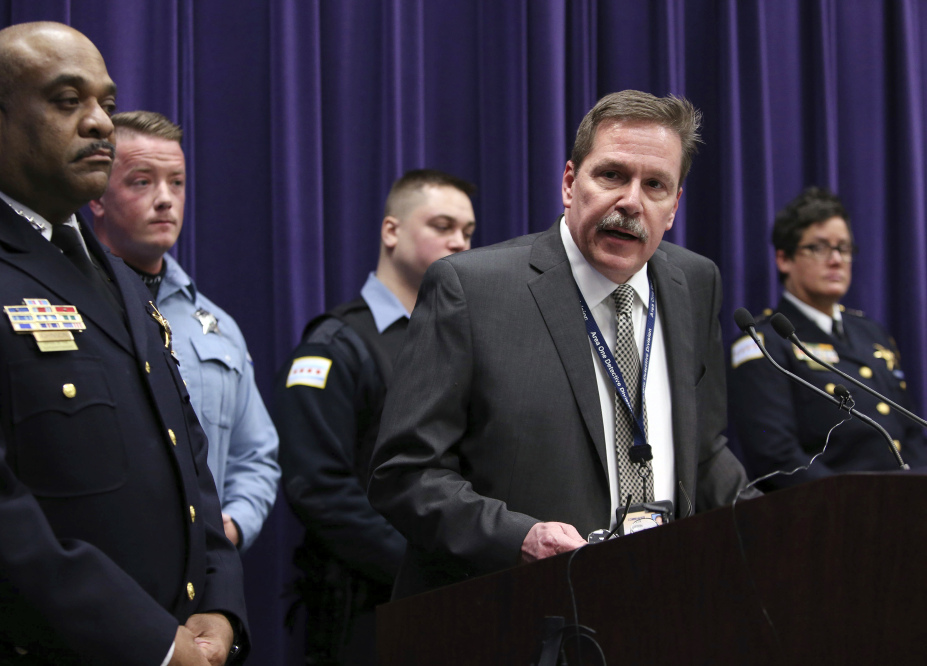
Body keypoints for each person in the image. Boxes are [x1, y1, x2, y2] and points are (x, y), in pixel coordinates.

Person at [0, 22, 246, 665]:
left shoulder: (118, 276)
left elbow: (186, 453)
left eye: (104, 101)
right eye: (68, 101)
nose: (101, 122)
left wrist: (218, 602)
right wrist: (153, 642)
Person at [368, 90, 754, 598]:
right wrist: (519, 538)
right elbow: (404, 474)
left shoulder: (694, 282)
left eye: (655, 185)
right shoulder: (471, 289)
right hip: (512, 611)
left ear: (675, 204)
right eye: (612, 175)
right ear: (571, 183)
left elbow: (702, 449)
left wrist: (775, 520)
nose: (631, 202)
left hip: (662, 604)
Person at [272, 170, 476, 663]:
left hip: (455, 604)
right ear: (392, 232)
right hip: (363, 611)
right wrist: (418, 565)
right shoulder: (335, 347)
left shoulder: (464, 339)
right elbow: (317, 488)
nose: (460, 243)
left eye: (468, 232)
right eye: (443, 226)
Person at [89, 110, 280, 551]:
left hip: (204, 578)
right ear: (97, 195)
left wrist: (230, 529)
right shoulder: (66, 306)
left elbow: (256, 456)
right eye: (142, 181)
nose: (165, 199)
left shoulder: (216, 327)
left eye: (176, 182)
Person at [729, 187, 926, 488]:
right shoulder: (763, 344)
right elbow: (777, 457)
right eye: (819, 248)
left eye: (844, 248)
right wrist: (854, 507)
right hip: (833, 516)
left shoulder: (872, 333)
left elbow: (911, 431)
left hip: (904, 508)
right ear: (784, 258)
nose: (836, 260)